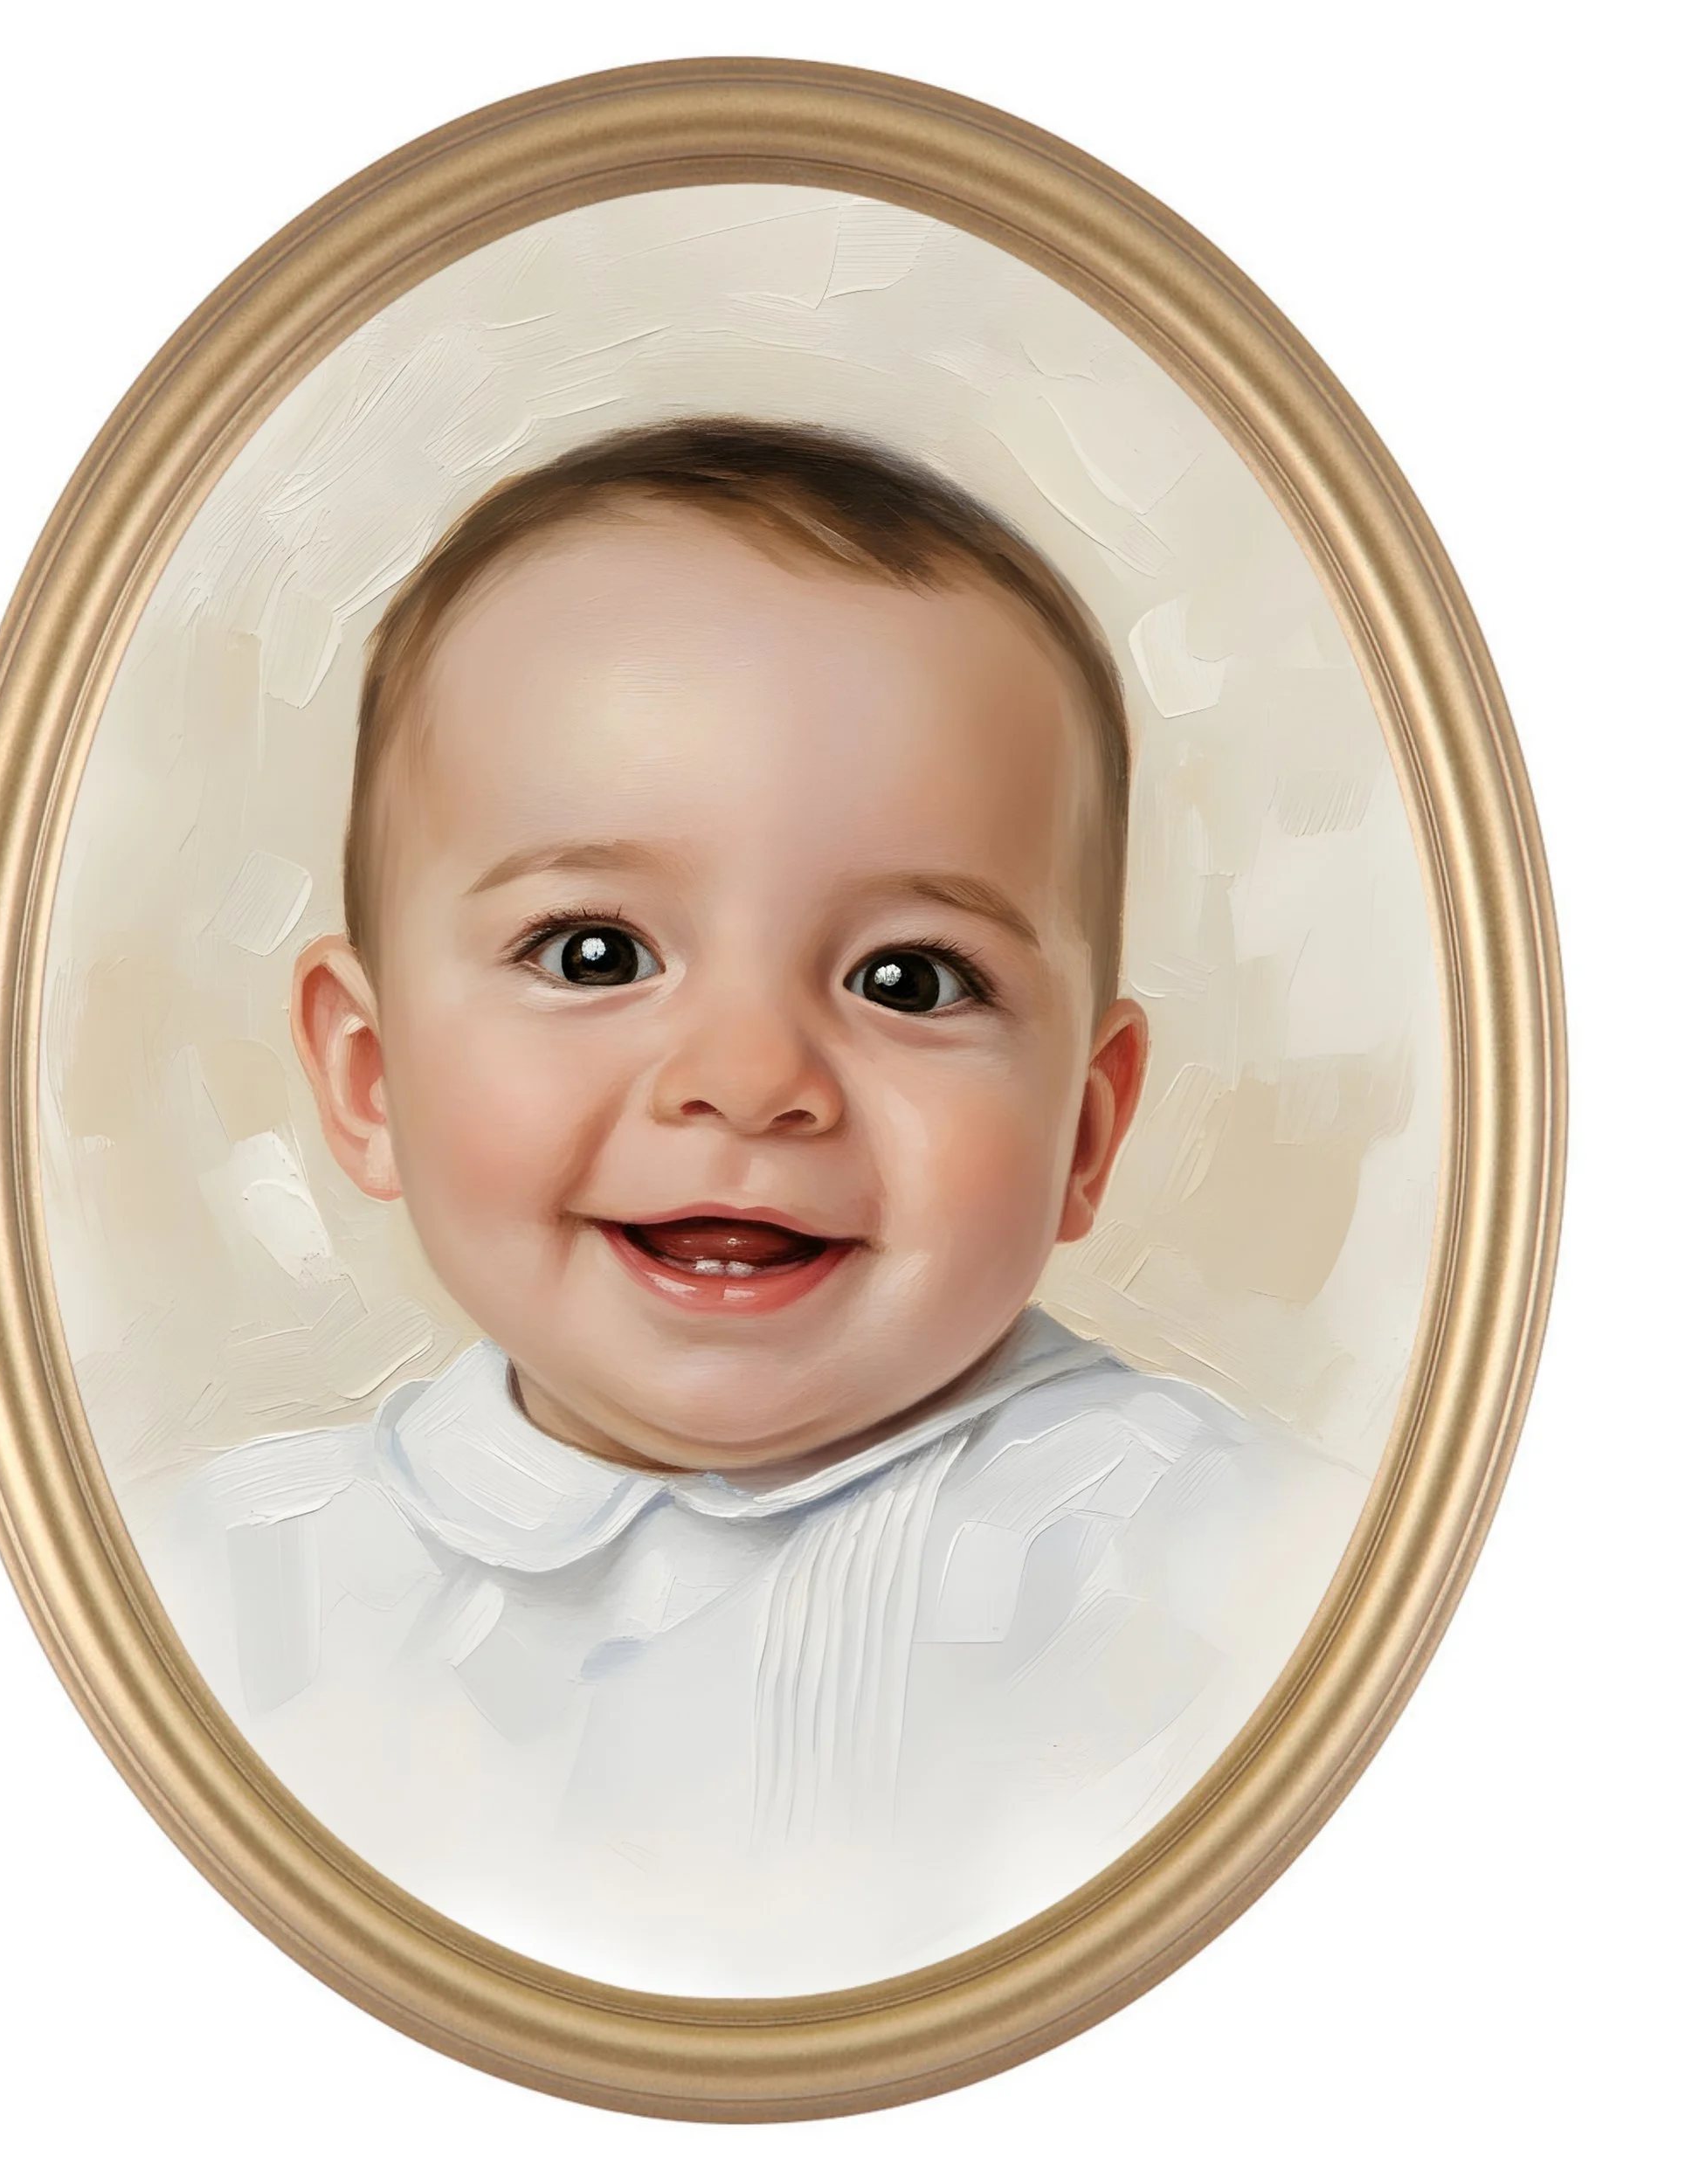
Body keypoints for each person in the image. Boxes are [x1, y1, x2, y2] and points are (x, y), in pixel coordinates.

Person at [135, 420, 1365, 1994]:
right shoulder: (220, 1601)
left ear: (1086, 1128)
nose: (749, 1078)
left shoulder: (1261, 1581)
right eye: (594, 954)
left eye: (908, 978)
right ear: (371, 1078)